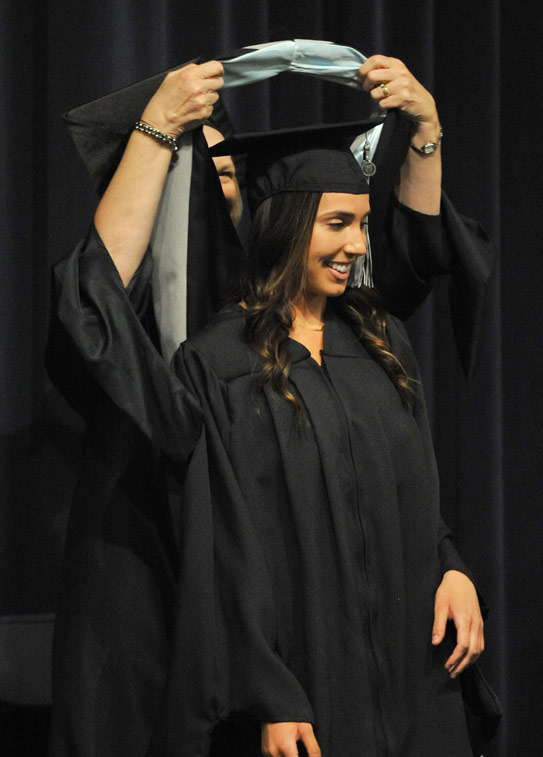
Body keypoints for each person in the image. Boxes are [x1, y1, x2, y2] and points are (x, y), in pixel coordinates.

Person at [48, 56, 495, 757]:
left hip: (389, 664)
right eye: (213, 173)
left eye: (360, 224)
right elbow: (92, 303)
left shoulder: (371, 343)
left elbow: (400, 478)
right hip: (209, 625)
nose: (355, 244)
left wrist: (450, 562)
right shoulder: (209, 357)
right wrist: (266, 688)